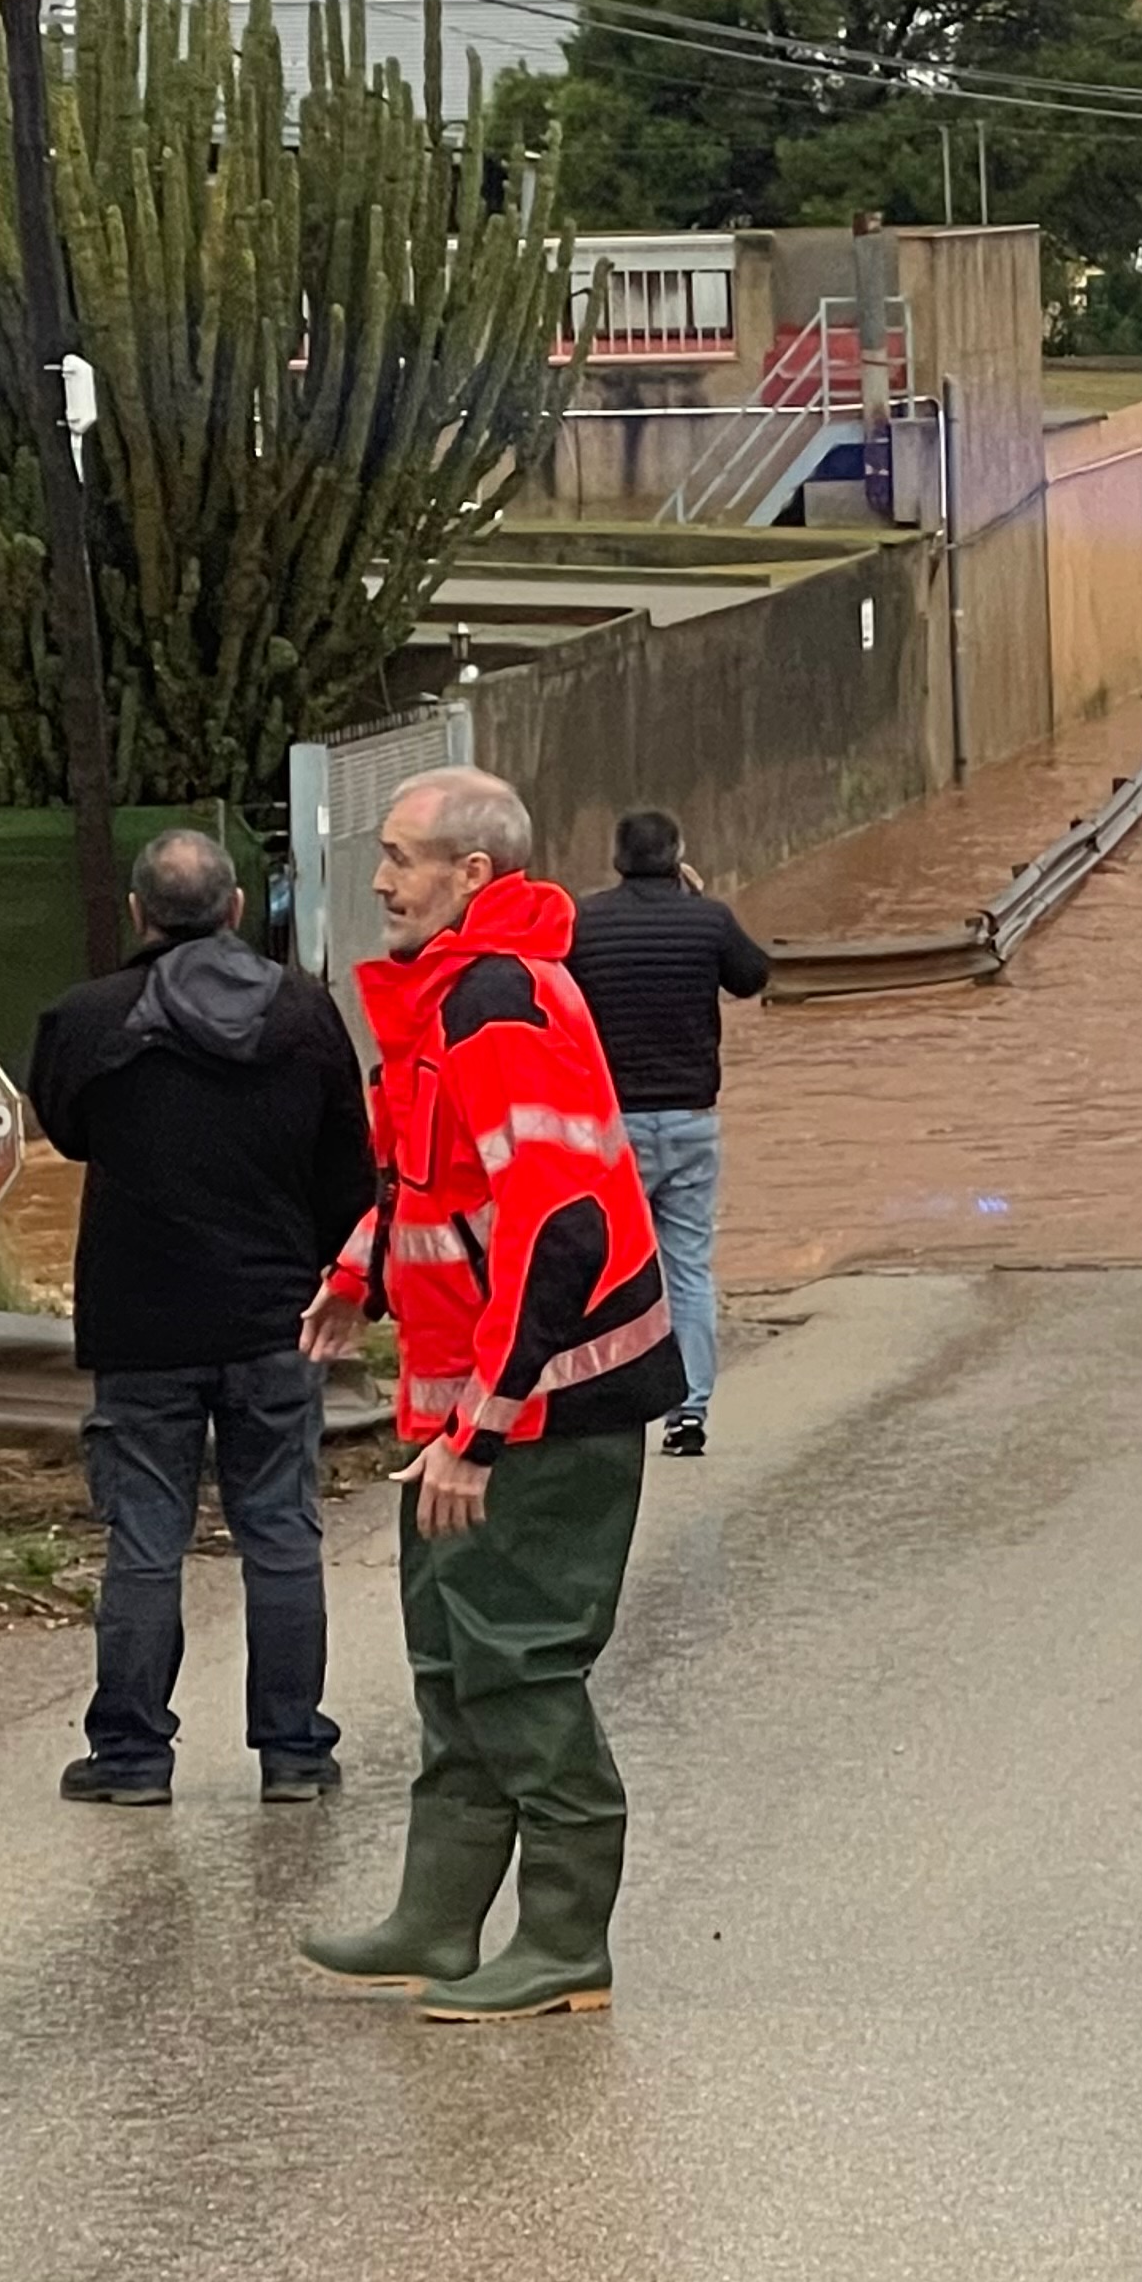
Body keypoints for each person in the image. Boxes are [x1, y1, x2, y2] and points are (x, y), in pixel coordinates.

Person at [293, 767, 686, 2020]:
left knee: (518, 1665)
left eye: (402, 858)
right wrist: (358, 1275)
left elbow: (558, 1227)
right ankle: (438, 1920)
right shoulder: (452, 996)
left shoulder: (496, 1001)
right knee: (454, 1663)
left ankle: (565, 1943)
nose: (379, 881)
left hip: (541, 1406)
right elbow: (435, 1180)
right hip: (470, 1400)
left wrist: (486, 1428)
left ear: (473, 874)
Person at [24, 828, 373, 1806]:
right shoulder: (304, 1010)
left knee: (144, 1540)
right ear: (235, 909)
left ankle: (131, 1757)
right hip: (276, 1317)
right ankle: (294, 1752)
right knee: (282, 1533)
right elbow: (348, 1165)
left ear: (139, 912)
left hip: (140, 1324)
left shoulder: (87, 1017)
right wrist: (338, 1275)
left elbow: (67, 1129)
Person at [567, 808, 770, 1457]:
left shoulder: (584, 923)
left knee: (607, 1267)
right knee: (688, 1269)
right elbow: (753, 977)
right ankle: (689, 1411)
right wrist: (698, 902)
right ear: (678, 855)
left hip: (609, 1128)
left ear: (617, 857)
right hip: (689, 1121)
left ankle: (601, 1404)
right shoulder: (706, 919)